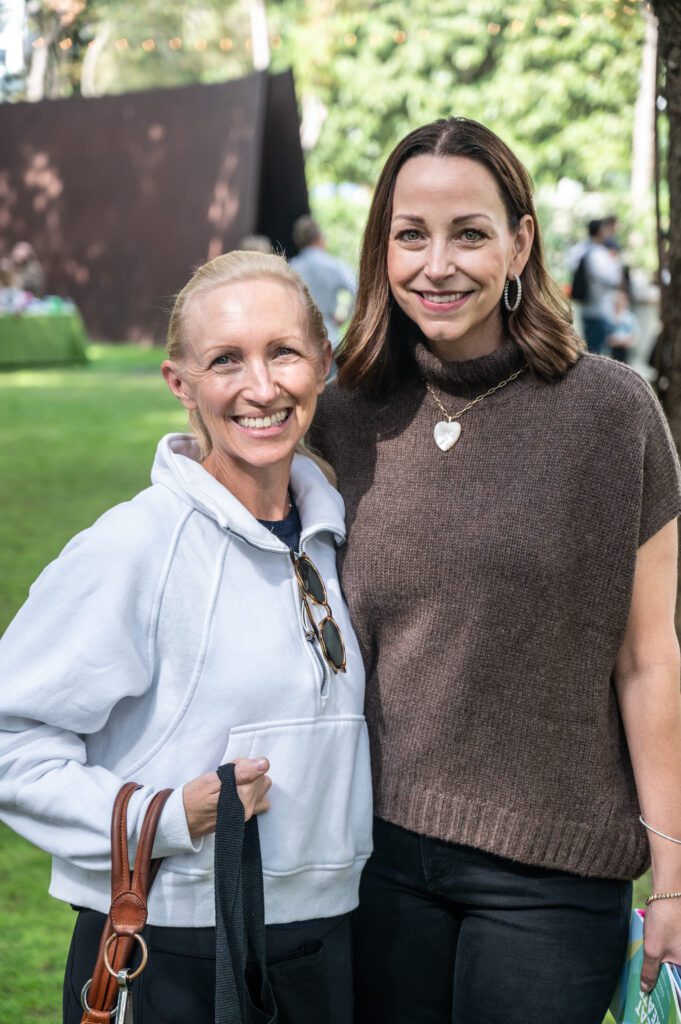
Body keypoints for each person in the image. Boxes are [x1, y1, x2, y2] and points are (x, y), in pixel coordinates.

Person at [310, 117, 681, 1023]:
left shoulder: (611, 413)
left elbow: (648, 658)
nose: (437, 264)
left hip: (551, 874)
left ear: (520, 243)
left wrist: (671, 868)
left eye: (469, 233)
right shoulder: (341, 417)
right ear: (381, 249)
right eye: (411, 236)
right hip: (369, 859)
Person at [0, 251, 372, 1024]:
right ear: (182, 383)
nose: (260, 388)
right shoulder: (135, 546)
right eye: (226, 360)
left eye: (283, 353)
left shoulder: (334, 536)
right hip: (175, 951)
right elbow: (11, 741)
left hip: (327, 946)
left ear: (322, 364)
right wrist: (163, 816)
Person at [290, 215, 356, 378]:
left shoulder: (291, 267)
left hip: (300, 338)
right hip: (330, 336)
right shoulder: (335, 265)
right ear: (319, 237)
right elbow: (357, 289)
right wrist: (344, 314)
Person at [572, 218, 623, 354]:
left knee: (591, 347)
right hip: (600, 310)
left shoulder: (580, 249)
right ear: (600, 231)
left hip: (587, 308)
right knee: (597, 353)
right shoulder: (599, 254)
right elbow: (612, 278)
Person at [607, 285, 639, 364]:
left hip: (625, 349)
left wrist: (628, 342)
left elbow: (635, 334)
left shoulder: (630, 318)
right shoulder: (609, 317)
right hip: (612, 349)